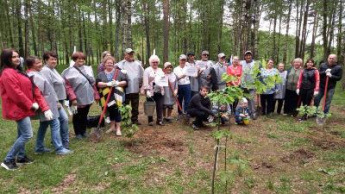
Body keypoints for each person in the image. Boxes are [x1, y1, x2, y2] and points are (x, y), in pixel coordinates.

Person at [0, 49, 51, 170]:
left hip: (22, 107)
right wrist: (30, 104)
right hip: (17, 108)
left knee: (21, 133)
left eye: (18, 56)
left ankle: (21, 157)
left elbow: (29, 88)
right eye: (13, 57)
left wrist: (35, 102)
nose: (17, 59)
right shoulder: (7, 73)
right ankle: (8, 160)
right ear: (7, 59)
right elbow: (15, 93)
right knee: (27, 134)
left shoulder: (16, 71)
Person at [26, 56, 72, 155]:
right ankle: (59, 148)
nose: (40, 64)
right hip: (47, 104)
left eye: (40, 62)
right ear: (31, 65)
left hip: (48, 103)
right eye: (37, 63)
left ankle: (39, 147)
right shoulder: (34, 76)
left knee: (44, 124)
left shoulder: (37, 73)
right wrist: (51, 104)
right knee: (55, 123)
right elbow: (39, 93)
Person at [62, 51, 100, 139]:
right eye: (79, 58)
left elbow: (93, 83)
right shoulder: (68, 71)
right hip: (76, 98)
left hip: (88, 96)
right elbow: (67, 86)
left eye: (83, 58)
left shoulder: (88, 69)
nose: (81, 60)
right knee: (77, 116)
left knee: (84, 114)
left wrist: (96, 94)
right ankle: (78, 132)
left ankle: (83, 131)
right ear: (75, 59)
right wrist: (73, 98)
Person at [41, 51, 70, 149]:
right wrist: (56, 101)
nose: (54, 61)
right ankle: (63, 144)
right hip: (53, 101)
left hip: (60, 99)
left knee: (49, 123)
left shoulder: (53, 69)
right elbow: (49, 88)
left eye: (55, 59)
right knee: (63, 119)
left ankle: (58, 141)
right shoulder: (45, 70)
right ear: (46, 60)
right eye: (51, 59)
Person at [96, 56, 127, 135]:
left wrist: (118, 83)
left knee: (117, 111)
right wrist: (107, 84)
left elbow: (125, 82)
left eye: (111, 63)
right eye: (107, 63)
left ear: (113, 64)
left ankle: (118, 128)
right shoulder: (100, 74)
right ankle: (112, 127)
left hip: (117, 96)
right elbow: (98, 84)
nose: (109, 64)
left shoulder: (118, 72)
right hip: (106, 96)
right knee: (110, 111)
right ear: (104, 64)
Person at [116, 48, 144, 125]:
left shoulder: (138, 64)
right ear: (125, 55)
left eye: (132, 53)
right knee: (125, 105)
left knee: (135, 105)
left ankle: (134, 120)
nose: (131, 55)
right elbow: (115, 71)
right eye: (129, 54)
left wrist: (141, 85)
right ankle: (125, 120)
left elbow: (141, 75)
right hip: (125, 88)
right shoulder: (121, 64)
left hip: (135, 88)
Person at [142, 54, 165, 126]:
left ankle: (159, 120)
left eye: (156, 62)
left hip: (159, 90)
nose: (155, 63)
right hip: (150, 90)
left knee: (160, 105)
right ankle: (150, 120)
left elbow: (163, 79)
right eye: (153, 62)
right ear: (150, 62)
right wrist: (146, 90)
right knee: (150, 105)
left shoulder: (160, 70)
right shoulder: (147, 70)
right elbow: (145, 81)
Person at [241, 51, 259, 119]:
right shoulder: (242, 63)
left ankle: (253, 113)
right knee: (244, 100)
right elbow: (234, 63)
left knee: (251, 100)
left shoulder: (255, 64)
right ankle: (245, 112)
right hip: (243, 85)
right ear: (245, 57)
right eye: (247, 55)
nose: (248, 57)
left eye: (249, 55)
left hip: (252, 85)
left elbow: (259, 73)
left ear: (251, 56)